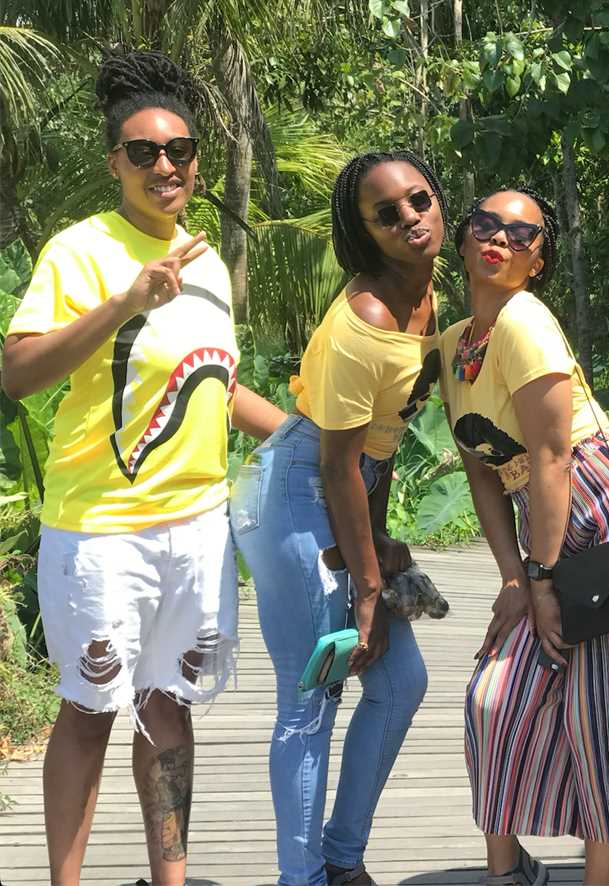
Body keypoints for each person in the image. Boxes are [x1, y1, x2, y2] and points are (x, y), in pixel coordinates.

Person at [0, 50, 283, 885]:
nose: (166, 165)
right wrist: (125, 301)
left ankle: (172, 877)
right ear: (114, 163)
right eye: (144, 152)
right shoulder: (80, 249)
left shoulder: (206, 263)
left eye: (180, 150)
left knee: (168, 710)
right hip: (101, 531)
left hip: (196, 527)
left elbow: (216, 383)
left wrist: (303, 435)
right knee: (89, 713)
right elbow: (17, 371)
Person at [441, 187, 609, 886]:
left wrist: (540, 581)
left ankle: (601, 879)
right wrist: (517, 577)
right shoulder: (454, 345)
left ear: (538, 262)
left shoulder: (524, 318)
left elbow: (552, 455)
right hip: (552, 522)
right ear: (463, 238)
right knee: (494, 698)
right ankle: (506, 873)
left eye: (522, 233)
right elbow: (484, 470)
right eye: (486, 223)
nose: (500, 237)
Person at [229, 150, 444, 885]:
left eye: (420, 199)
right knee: (311, 697)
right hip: (296, 496)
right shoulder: (365, 321)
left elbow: (377, 452)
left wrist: (378, 547)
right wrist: (369, 588)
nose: (410, 218)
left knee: (399, 682)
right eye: (386, 213)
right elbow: (336, 465)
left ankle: (341, 857)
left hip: (350, 485)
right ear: (363, 233)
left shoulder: (430, 296)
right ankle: (305, 878)